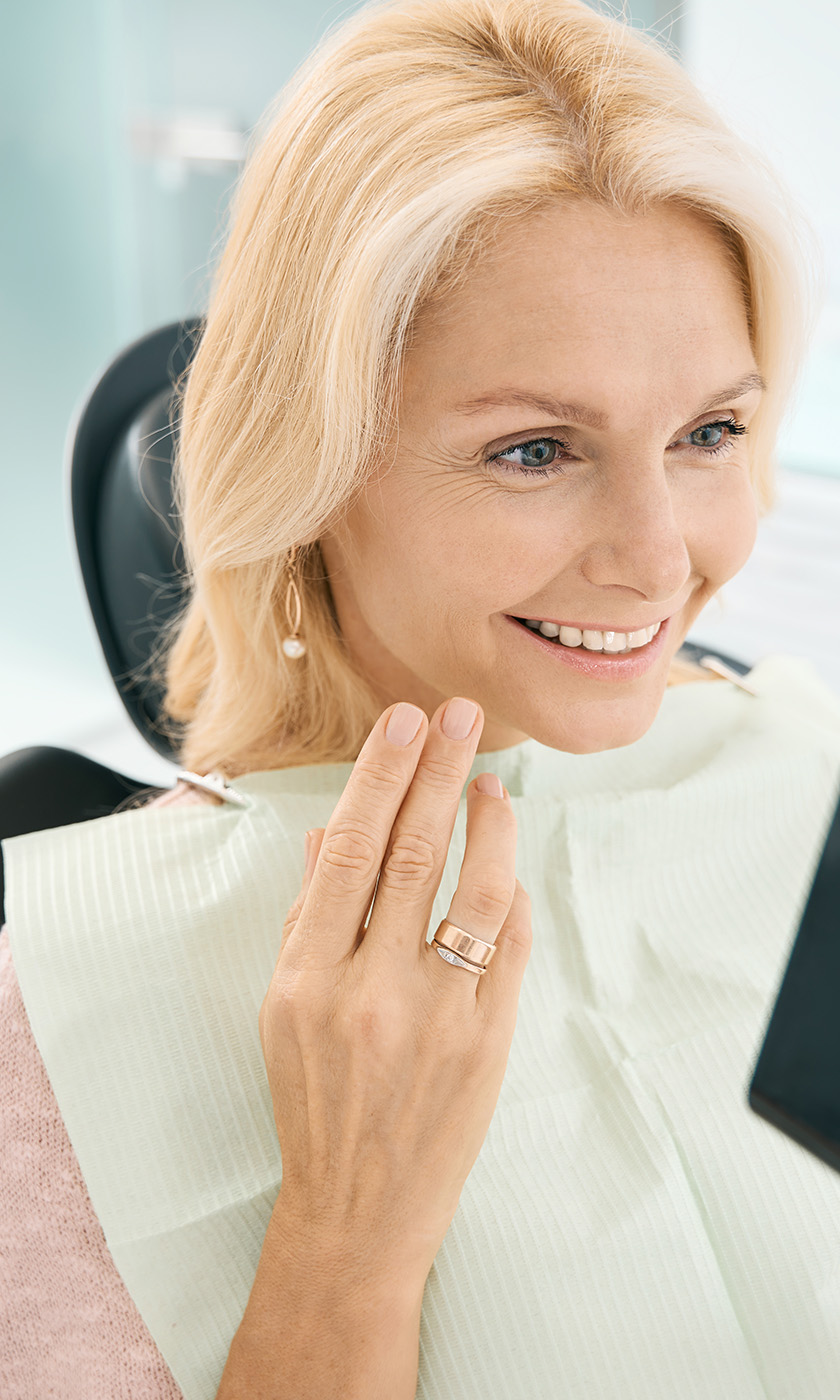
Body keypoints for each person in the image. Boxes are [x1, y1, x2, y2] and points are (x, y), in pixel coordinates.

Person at [2, 0, 839, 1397]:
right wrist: (348, 1238)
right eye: (533, 449)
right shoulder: (53, 1031)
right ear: (311, 465)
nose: (660, 555)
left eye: (709, 432)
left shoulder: (807, 785)